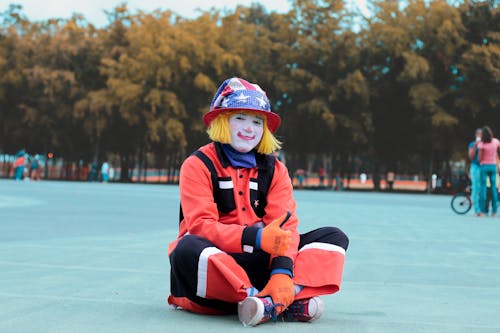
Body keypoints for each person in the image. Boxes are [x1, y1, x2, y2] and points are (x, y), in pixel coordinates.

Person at [167, 77, 349, 327]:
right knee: (185, 248)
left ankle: (277, 297)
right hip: (217, 270)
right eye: (240, 117)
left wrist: (282, 271)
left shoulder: (276, 170)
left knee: (333, 238)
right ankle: (264, 300)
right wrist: (254, 238)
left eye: (257, 121)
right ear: (222, 121)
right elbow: (200, 226)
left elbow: (285, 227)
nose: (249, 128)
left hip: (264, 265)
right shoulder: (197, 165)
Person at [477, 126, 500, 217]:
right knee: (494, 188)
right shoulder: (496, 142)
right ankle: (494, 212)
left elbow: (479, 158)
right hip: (493, 166)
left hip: (484, 166)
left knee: (483, 189)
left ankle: (482, 211)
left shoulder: (482, 144)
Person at [468, 128, 483, 216]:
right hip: (475, 166)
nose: (480, 136)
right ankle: (476, 209)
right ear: (476, 135)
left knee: (482, 188)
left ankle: (483, 208)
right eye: (478, 134)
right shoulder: (472, 144)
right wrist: (475, 146)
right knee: (475, 187)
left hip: (484, 166)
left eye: (481, 134)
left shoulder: (485, 144)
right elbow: (471, 157)